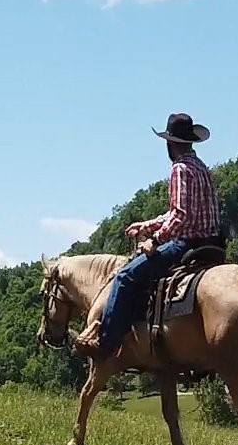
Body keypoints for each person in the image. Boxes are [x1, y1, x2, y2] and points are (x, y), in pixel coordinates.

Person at [72, 113, 225, 359]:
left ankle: (106, 344)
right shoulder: (201, 167)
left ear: (170, 143)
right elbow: (179, 212)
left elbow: (181, 216)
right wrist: (147, 226)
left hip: (187, 243)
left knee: (125, 277)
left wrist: (154, 240)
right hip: (211, 242)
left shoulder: (180, 169)